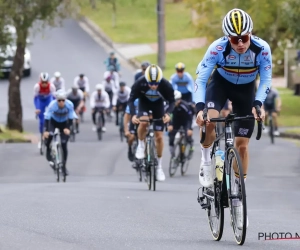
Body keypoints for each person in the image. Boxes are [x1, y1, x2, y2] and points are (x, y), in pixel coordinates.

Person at [194, 9, 272, 229]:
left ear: (251, 34)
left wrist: (258, 104)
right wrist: (200, 108)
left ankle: (239, 198)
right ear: (227, 38)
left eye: (244, 38)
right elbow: (201, 77)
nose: (240, 44)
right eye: (235, 39)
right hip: (220, 85)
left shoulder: (262, 49)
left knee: (242, 146)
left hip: (246, 90)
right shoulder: (217, 48)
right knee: (210, 120)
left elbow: (266, 80)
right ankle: (207, 160)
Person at [128, 64, 175, 181]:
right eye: (151, 83)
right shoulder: (140, 82)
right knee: (143, 122)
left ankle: (159, 166)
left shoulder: (165, 84)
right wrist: (134, 115)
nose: (154, 86)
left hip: (158, 106)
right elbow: (131, 99)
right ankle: (141, 144)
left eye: (156, 83)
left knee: (159, 137)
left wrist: (168, 114)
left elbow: (172, 101)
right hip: (144, 103)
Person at [43, 90, 78, 175]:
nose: (61, 102)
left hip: (64, 123)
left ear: (65, 100)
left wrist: (67, 128)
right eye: (59, 100)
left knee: (64, 143)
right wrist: (46, 131)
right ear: (56, 100)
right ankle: (48, 149)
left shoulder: (69, 105)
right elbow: (47, 118)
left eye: (63, 100)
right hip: (53, 122)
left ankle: (64, 167)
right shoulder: (52, 105)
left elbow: (71, 118)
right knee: (50, 135)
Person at [167, 90, 194, 158]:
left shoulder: (185, 105)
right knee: (171, 136)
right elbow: (168, 116)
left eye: (176, 100)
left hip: (185, 121)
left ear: (179, 100)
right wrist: (169, 125)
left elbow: (190, 118)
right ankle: (172, 154)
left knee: (187, 134)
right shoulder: (170, 105)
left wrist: (190, 129)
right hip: (176, 121)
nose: (175, 102)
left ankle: (190, 144)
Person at [34, 72, 56, 148]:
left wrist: (55, 108)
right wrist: (37, 108)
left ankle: (51, 132)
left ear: (48, 81)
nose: (44, 84)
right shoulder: (37, 86)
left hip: (48, 99)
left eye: (45, 82)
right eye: (42, 82)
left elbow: (54, 98)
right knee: (42, 120)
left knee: (51, 116)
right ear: (40, 81)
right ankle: (41, 136)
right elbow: (35, 98)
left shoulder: (51, 86)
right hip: (40, 101)